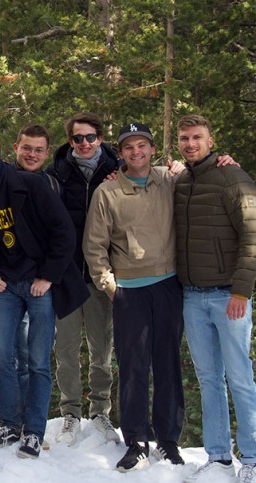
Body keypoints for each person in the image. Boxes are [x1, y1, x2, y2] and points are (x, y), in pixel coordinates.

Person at [0, 130, 88, 459]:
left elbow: (63, 231)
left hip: (37, 284)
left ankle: (33, 432)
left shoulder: (29, 186)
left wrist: (49, 275)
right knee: (3, 358)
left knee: (38, 361)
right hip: (6, 287)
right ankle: (10, 425)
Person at [83, 123, 185, 471]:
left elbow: (202, 181)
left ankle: (169, 440)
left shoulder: (170, 181)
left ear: (152, 149)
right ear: (121, 153)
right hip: (129, 290)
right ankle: (137, 439)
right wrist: (109, 285)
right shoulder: (107, 191)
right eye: (129, 147)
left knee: (168, 363)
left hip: (169, 285)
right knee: (133, 366)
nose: (136, 152)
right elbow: (94, 245)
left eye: (142, 145)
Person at [175, 115, 256, 483]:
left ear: (211, 140)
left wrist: (241, 290)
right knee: (210, 379)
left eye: (197, 138)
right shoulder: (181, 182)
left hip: (228, 296)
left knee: (240, 378)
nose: (190, 144)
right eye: (184, 138)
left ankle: (252, 458)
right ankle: (219, 456)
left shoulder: (232, 177)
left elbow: (252, 236)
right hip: (193, 296)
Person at [46, 112, 121, 445]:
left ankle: (100, 411)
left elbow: (158, 181)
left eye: (91, 137)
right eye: (78, 138)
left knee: (102, 349)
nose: (85, 143)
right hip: (66, 275)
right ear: (70, 141)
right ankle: (70, 413)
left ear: (100, 139)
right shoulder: (55, 174)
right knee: (65, 350)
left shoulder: (118, 172)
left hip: (101, 273)